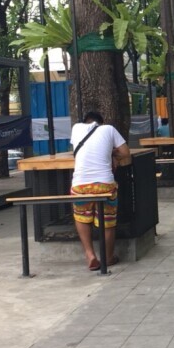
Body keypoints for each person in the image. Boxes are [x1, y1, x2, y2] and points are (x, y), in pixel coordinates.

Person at [70, 111, 130, 271]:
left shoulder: (76, 128)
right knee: (107, 221)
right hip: (104, 184)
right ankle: (108, 257)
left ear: (86, 122)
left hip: (80, 185)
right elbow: (126, 153)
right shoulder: (109, 129)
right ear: (100, 123)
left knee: (82, 218)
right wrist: (111, 152)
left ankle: (90, 255)